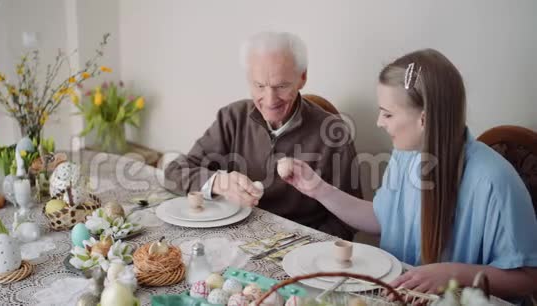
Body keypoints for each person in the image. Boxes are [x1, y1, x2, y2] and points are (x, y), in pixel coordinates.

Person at [280, 49, 537, 298]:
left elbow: (527, 278)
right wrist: (318, 189)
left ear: (423, 119)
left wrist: (456, 274)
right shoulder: (406, 155)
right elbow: (382, 219)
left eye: (388, 114)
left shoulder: (494, 181)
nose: (379, 122)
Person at [164, 32, 361, 239]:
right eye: (259, 86)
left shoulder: (333, 131)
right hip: (235, 238)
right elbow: (175, 171)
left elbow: (348, 220)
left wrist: (305, 248)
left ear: (302, 78)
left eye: (281, 86)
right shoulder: (232, 117)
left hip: (299, 247)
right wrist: (219, 183)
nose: (269, 100)